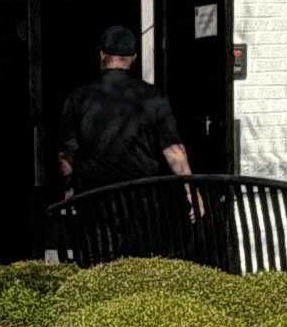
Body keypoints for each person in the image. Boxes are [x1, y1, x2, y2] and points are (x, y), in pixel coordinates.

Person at [57, 27, 193, 199]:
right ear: (133, 58)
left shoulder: (78, 98)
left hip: (94, 200)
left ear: (102, 55)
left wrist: (68, 190)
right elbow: (173, 150)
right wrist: (190, 191)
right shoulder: (153, 97)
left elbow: (67, 156)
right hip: (141, 199)